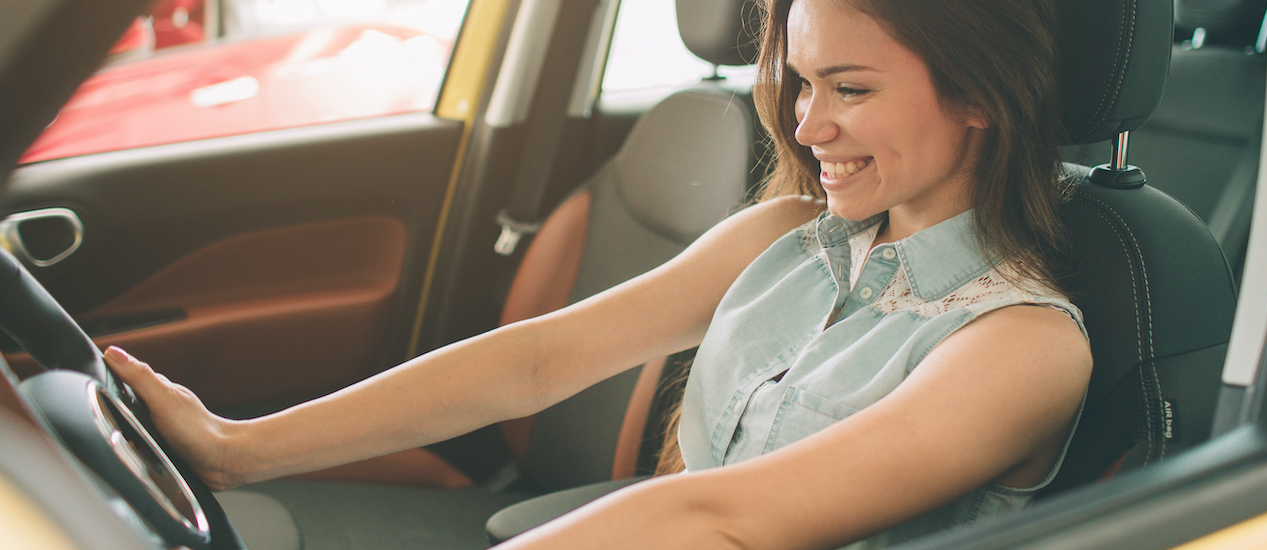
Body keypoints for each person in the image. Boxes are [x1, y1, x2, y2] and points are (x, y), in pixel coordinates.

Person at [105, 0, 1092, 547]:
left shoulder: (1020, 344)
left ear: (977, 98)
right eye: (800, 84)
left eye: (851, 89)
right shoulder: (783, 235)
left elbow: (726, 516)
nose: (805, 125)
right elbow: (537, 362)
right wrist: (241, 447)